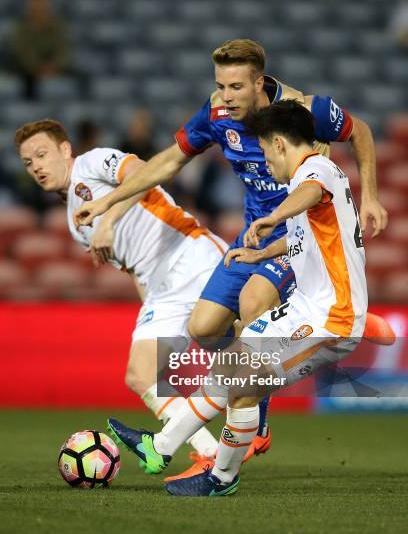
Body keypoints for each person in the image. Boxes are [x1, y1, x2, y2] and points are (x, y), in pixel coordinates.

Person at [74, 39, 390, 473]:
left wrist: (370, 196)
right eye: (220, 85)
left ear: (260, 82)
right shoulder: (216, 114)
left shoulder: (305, 111)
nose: (226, 96)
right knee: (202, 327)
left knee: (252, 304)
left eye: (237, 87)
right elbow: (168, 162)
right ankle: (237, 411)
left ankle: (249, 422)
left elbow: (362, 133)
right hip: (253, 235)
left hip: (299, 235)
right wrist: (111, 203)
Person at [107, 100, 369, 496]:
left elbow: (310, 194)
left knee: (241, 381)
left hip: (332, 319)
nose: (265, 161)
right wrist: (262, 253)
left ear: (279, 144)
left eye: (265, 151)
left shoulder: (314, 172)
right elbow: (305, 238)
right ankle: (158, 447)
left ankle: (220, 478)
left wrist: (273, 215)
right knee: (227, 370)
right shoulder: (310, 178)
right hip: (307, 309)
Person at [14, 118, 230, 464]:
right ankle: (211, 455)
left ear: (65, 150)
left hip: (191, 254)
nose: (37, 166)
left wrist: (109, 220)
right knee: (140, 375)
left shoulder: (93, 161)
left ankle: (256, 421)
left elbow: (145, 172)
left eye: (42, 154)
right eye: (28, 162)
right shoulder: (75, 222)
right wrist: (150, 314)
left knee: (239, 346)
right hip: (161, 288)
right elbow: (131, 266)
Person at [8, 0, 71, 99]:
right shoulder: (21, 27)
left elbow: (64, 48)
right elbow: (22, 50)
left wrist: (54, 66)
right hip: (27, 72)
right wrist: (37, 67)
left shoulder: (59, 25)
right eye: (35, 2)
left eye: (42, 2)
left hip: (55, 69)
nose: (39, 6)